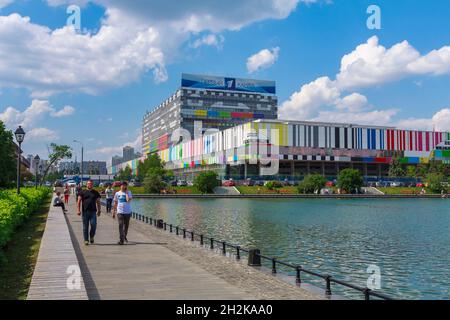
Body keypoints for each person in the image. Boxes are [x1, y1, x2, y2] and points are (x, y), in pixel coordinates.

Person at [77, 180, 101, 246]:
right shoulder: (82, 192)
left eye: (91, 184)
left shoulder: (95, 192)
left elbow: (98, 202)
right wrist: (78, 210)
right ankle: (86, 240)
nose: (89, 185)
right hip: (85, 212)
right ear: (86, 184)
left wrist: (99, 210)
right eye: (88, 184)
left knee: (94, 225)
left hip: (93, 211)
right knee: (85, 227)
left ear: (92, 185)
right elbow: (79, 201)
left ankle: (91, 236)